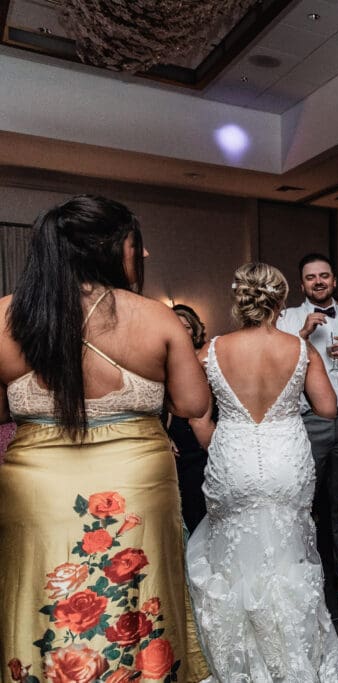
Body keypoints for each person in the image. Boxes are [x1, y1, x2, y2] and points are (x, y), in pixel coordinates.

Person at [0, 195, 211, 681]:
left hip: (34, 489)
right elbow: (193, 405)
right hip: (134, 487)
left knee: (40, 597)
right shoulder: (155, 318)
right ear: (109, 248)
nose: (144, 256)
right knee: (135, 599)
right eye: (136, 245)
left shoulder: (8, 316)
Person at [186, 262, 338, 679]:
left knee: (231, 557)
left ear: (239, 299)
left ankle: (241, 666)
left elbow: (191, 407)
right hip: (284, 457)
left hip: (234, 454)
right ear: (281, 300)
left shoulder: (212, 349)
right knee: (287, 554)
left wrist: (216, 430)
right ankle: (295, 663)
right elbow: (328, 409)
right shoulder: (300, 348)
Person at [276, 252, 338, 616]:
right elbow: (278, 367)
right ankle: (308, 590)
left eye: (324, 276)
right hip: (306, 424)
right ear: (302, 284)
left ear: (334, 280)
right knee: (305, 505)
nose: (318, 282)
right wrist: (302, 336)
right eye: (311, 277)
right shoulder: (286, 319)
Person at [167, 303, 210, 533]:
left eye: (187, 327)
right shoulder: (163, 362)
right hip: (179, 436)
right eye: (176, 326)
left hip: (207, 430)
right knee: (187, 499)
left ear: (195, 330)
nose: (182, 331)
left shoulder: (208, 357)